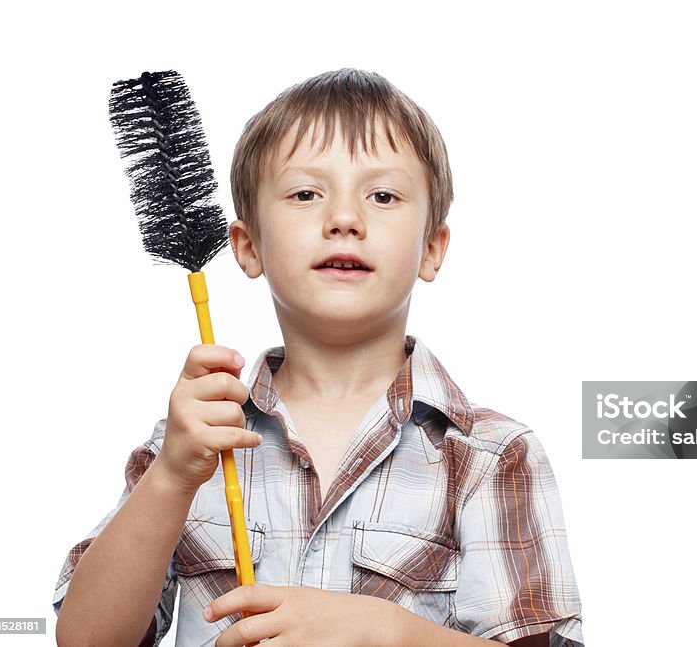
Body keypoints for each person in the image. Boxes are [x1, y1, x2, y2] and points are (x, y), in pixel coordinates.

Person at [53, 68, 584, 646]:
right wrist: (172, 478)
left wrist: (387, 634)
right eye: (306, 194)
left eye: (382, 196)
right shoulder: (192, 444)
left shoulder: (489, 456)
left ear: (432, 250)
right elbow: (86, 641)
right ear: (247, 246)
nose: (344, 219)